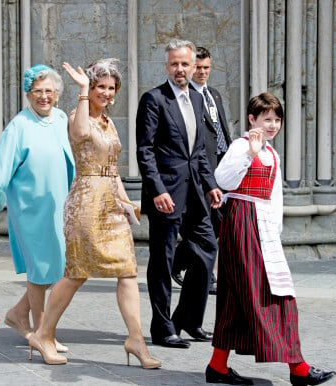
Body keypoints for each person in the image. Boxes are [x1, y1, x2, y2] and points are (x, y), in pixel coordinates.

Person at [29, 58, 161, 369]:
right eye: (100, 86)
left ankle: (136, 340)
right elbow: (78, 135)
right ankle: (43, 334)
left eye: (110, 88)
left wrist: (127, 204)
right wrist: (83, 91)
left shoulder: (109, 123)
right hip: (85, 203)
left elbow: (112, 170)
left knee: (128, 271)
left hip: (111, 205)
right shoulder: (80, 116)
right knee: (77, 272)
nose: (106, 92)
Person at [206, 92, 335, 385]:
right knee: (263, 293)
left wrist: (275, 234)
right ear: (252, 119)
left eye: (277, 120)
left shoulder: (273, 154)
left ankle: (217, 366)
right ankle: (298, 368)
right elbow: (222, 180)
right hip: (241, 221)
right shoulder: (242, 147)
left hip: (262, 226)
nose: (273, 125)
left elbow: (274, 198)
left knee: (238, 296)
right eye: (267, 119)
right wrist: (249, 153)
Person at [0, 64, 74, 352]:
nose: (44, 97)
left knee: (56, 270)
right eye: (38, 91)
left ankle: (18, 314)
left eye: (49, 91)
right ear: (28, 94)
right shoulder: (19, 126)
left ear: (57, 94)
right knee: (39, 271)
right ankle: (43, 334)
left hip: (58, 207)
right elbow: (1, 167)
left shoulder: (60, 119)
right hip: (30, 210)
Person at [136, 39, 222, 349]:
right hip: (166, 195)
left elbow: (198, 151)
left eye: (186, 64)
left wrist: (211, 184)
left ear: (193, 65)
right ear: (167, 66)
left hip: (195, 192)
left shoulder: (198, 101)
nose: (181, 69)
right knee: (162, 260)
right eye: (175, 64)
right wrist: (156, 189)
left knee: (207, 247)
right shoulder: (154, 99)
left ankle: (187, 319)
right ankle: (162, 328)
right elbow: (144, 150)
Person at [171, 46, 232, 295]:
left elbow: (221, 132)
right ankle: (204, 275)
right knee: (204, 223)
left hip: (222, 168)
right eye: (198, 67)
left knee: (219, 222)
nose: (202, 72)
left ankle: (180, 260)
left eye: (207, 67)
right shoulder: (187, 98)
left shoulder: (213, 95)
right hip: (201, 171)